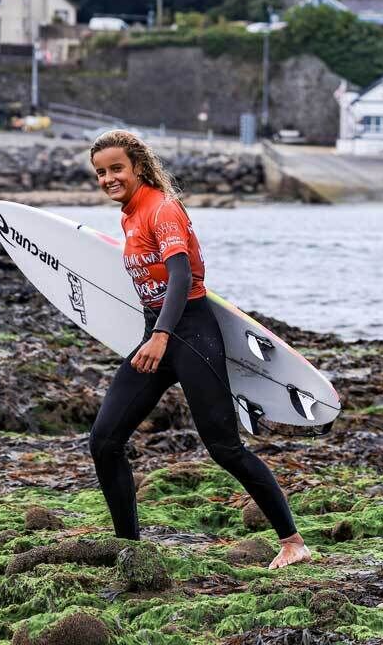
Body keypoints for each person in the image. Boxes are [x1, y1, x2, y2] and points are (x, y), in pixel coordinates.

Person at [88, 130, 311, 570]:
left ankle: (293, 542)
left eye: (116, 168)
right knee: (104, 440)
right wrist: (153, 332)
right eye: (100, 172)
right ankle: (130, 550)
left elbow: (181, 277)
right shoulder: (130, 215)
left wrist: (161, 335)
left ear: (137, 166)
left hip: (189, 333)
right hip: (159, 333)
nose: (109, 178)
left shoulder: (161, 209)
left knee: (224, 448)